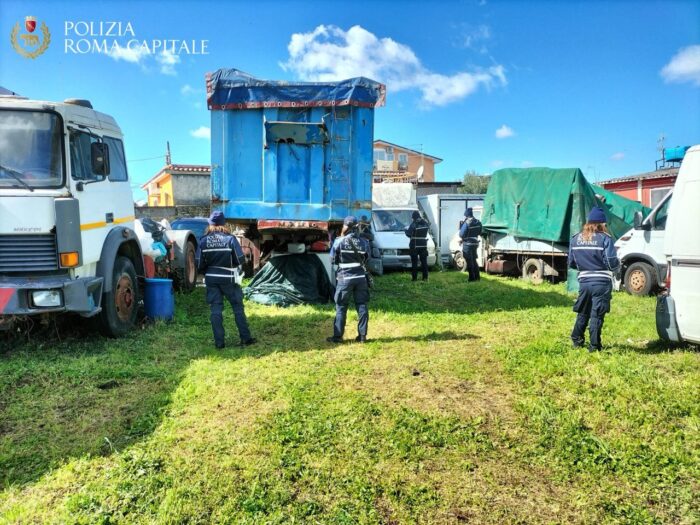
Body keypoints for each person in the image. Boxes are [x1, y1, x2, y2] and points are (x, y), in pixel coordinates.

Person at [196, 211, 256, 349]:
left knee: (215, 310)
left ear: (210, 224)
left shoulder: (203, 241)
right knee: (237, 308)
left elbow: (199, 263)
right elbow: (240, 259)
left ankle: (219, 343)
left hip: (211, 279)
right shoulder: (230, 239)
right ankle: (245, 339)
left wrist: (208, 272)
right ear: (224, 223)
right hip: (229, 279)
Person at [567, 207, 620, 352]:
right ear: (602, 223)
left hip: (584, 282)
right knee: (597, 314)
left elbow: (571, 262)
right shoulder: (605, 238)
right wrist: (617, 266)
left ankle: (577, 339)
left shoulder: (576, 238)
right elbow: (611, 262)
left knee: (583, 311)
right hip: (601, 283)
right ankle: (594, 346)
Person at [327, 216, 371, 344]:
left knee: (341, 307)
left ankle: (338, 337)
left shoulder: (339, 241)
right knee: (362, 305)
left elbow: (332, 259)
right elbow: (367, 259)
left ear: (346, 226)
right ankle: (362, 336)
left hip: (344, 278)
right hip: (360, 278)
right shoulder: (364, 242)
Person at [405, 210, 430, 281]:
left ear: (414, 217)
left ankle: (414, 278)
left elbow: (409, 234)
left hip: (414, 245)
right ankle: (425, 278)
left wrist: (405, 230)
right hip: (423, 244)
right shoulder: (425, 222)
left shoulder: (414, 223)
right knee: (424, 262)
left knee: (414, 262)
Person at [459, 208, 482, 281]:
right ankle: (477, 277)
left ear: (466, 215)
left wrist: (461, 228)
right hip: (475, 243)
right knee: (474, 260)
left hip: (468, 244)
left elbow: (461, 234)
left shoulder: (467, 222)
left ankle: (471, 278)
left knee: (469, 261)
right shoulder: (478, 222)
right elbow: (480, 232)